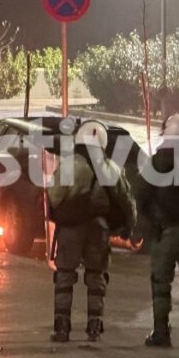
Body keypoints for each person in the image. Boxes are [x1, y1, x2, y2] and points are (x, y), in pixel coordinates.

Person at [46, 119, 136, 342]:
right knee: (96, 277)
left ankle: (62, 328)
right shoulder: (112, 167)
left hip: (71, 229)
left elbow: (54, 197)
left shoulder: (69, 165)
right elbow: (127, 201)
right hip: (100, 229)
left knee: (65, 275)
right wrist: (128, 228)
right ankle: (94, 326)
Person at [134, 114, 179, 349]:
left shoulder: (157, 163)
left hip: (165, 233)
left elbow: (139, 194)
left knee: (160, 284)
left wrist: (145, 225)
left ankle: (161, 333)